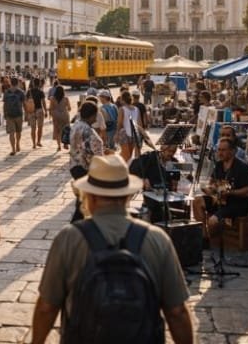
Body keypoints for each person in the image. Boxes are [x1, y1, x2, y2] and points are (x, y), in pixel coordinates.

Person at [31, 154, 193, 344]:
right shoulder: (156, 240)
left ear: (89, 197)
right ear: (127, 196)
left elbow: (47, 307)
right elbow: (177, 312)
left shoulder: (69, 239)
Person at [192, 137, 248, 241]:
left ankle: (213, 232)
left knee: (212, 222)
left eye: (223, 150)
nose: (220, 153)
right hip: (220, 200)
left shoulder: (243, 168)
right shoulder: (219, 165)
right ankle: (204, 238)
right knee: (197, 201)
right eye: (219, 150)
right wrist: (208, 189)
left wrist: (231, 192)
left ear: (232, 151)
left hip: (236, 203)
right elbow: (212, 183)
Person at [68, 101, 111, 222]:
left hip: (74, 165)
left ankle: (78, 225)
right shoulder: (89, 131)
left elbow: (82, 146)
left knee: (83, 199)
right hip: (86, 169)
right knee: (84, 201)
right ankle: (76, 226)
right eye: (96, 115)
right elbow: (97, 157)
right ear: (92, 115)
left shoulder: (76, 125)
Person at [117, 91, 143, 162]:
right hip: (135, 134)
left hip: (125, 133)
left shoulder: (122, 109)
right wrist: (141, 135)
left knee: (126, 155)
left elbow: (119, 123)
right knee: (130, 155)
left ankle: (116, 163)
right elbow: (139, 123)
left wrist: (116, 134)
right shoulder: (136, 109)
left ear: (122, 100)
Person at [2, 77, 26, 156]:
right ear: (17, 83)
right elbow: (24, 104)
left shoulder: (6, 92)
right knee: (18, 131)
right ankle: (18, 144)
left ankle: (13, 149)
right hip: (19, 114)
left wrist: (4, 113)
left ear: (11, 83)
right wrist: (26, 114)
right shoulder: (21, 92)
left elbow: (4, 104)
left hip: (9, 114)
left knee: (11, 133)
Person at [49, 85, 71, 153]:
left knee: (57, 131)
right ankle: (65, 143)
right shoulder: (66, 98)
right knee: (66, 130)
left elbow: (51, 108)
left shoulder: (52, 98)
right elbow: (69, 108)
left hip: (56, 116)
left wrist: (51, 114)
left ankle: (59, 146)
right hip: (65, 115)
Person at [26, 78, 47, 148]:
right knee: (40, 127)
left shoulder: (29, 91)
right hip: (39, 110)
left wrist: (26, 112)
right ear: (40, 83)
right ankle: (38, 141)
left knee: (33, 128)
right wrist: (46, 111)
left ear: (33, 83)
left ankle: (33, 144)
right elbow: (43, 102)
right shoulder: (41, 92)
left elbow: (26, 102)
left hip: (31, 111)